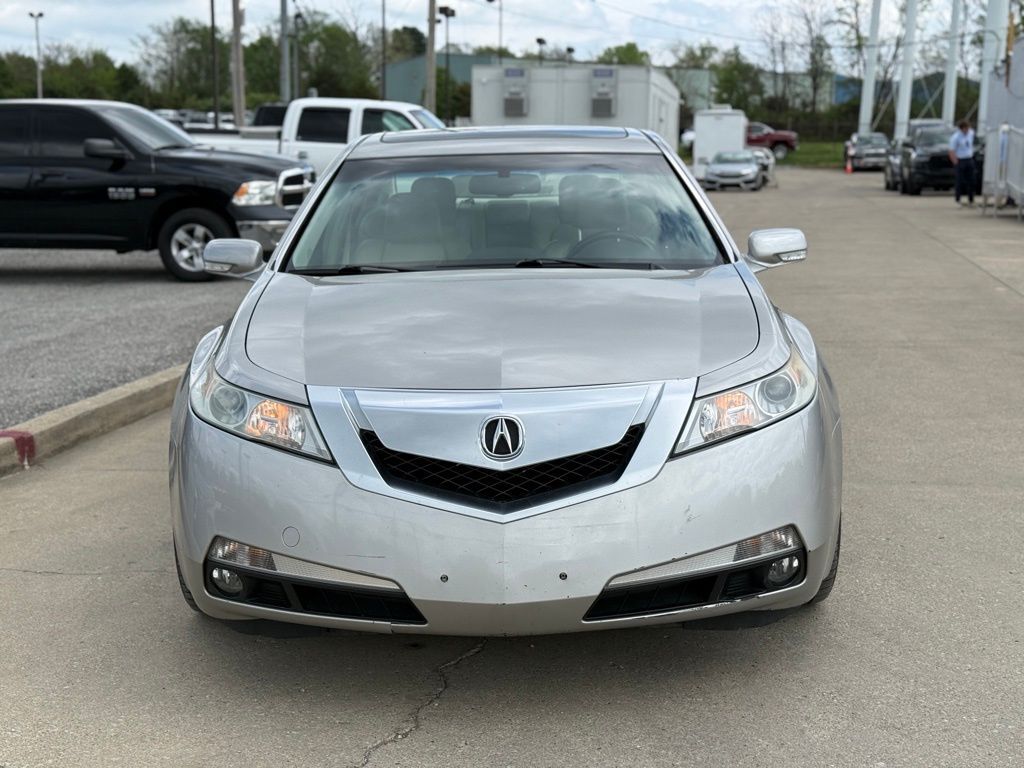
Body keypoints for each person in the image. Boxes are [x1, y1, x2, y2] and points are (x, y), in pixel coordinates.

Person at [949, 120, 976, 206]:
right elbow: (951, 150)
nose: (967, 130)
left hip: (969, 158)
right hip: (960, 159)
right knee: (959, 181)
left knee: (971, 180)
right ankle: (958, 199)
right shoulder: (956, 137)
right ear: (962, 129)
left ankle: (971, 200)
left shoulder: (971, 133)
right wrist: (955, 162)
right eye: (965, 129)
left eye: (968, 128)